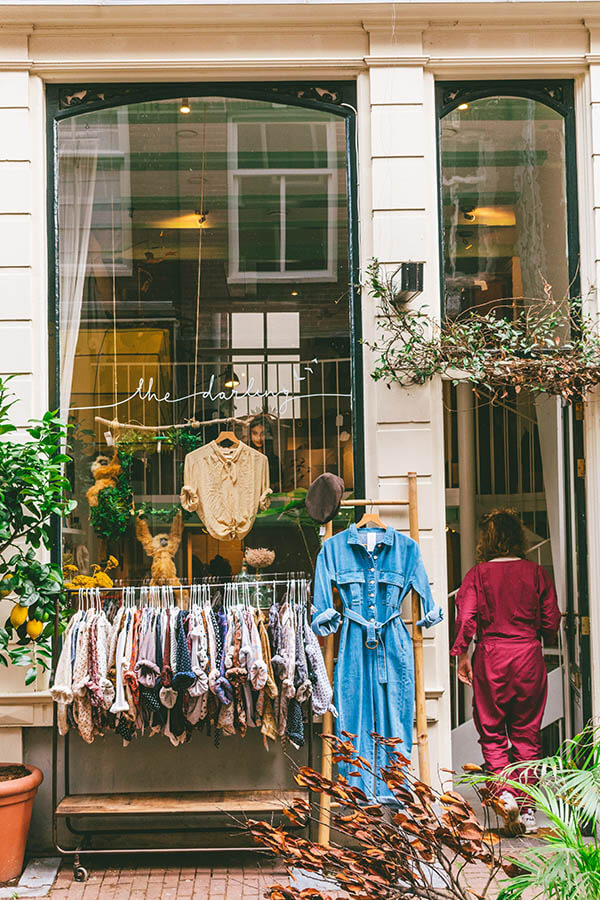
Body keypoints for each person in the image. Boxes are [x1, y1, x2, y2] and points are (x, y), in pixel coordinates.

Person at [450, 509, 561, 835]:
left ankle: (506, 796)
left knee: (493, 732)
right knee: (528, 733)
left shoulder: (478, 575)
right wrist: (545, 636)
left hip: (492, 656)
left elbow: (466, 617)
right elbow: (551, 619)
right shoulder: (536, 573)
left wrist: (462, 654)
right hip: (528, 655)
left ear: (487, 541)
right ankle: (527, 809)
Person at [248, 416, 281, 492]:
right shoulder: (246, 458)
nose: (259, 438)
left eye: (263, 434)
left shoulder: (275, 460)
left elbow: (279, 484)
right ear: (250, 435)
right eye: (255, 433)